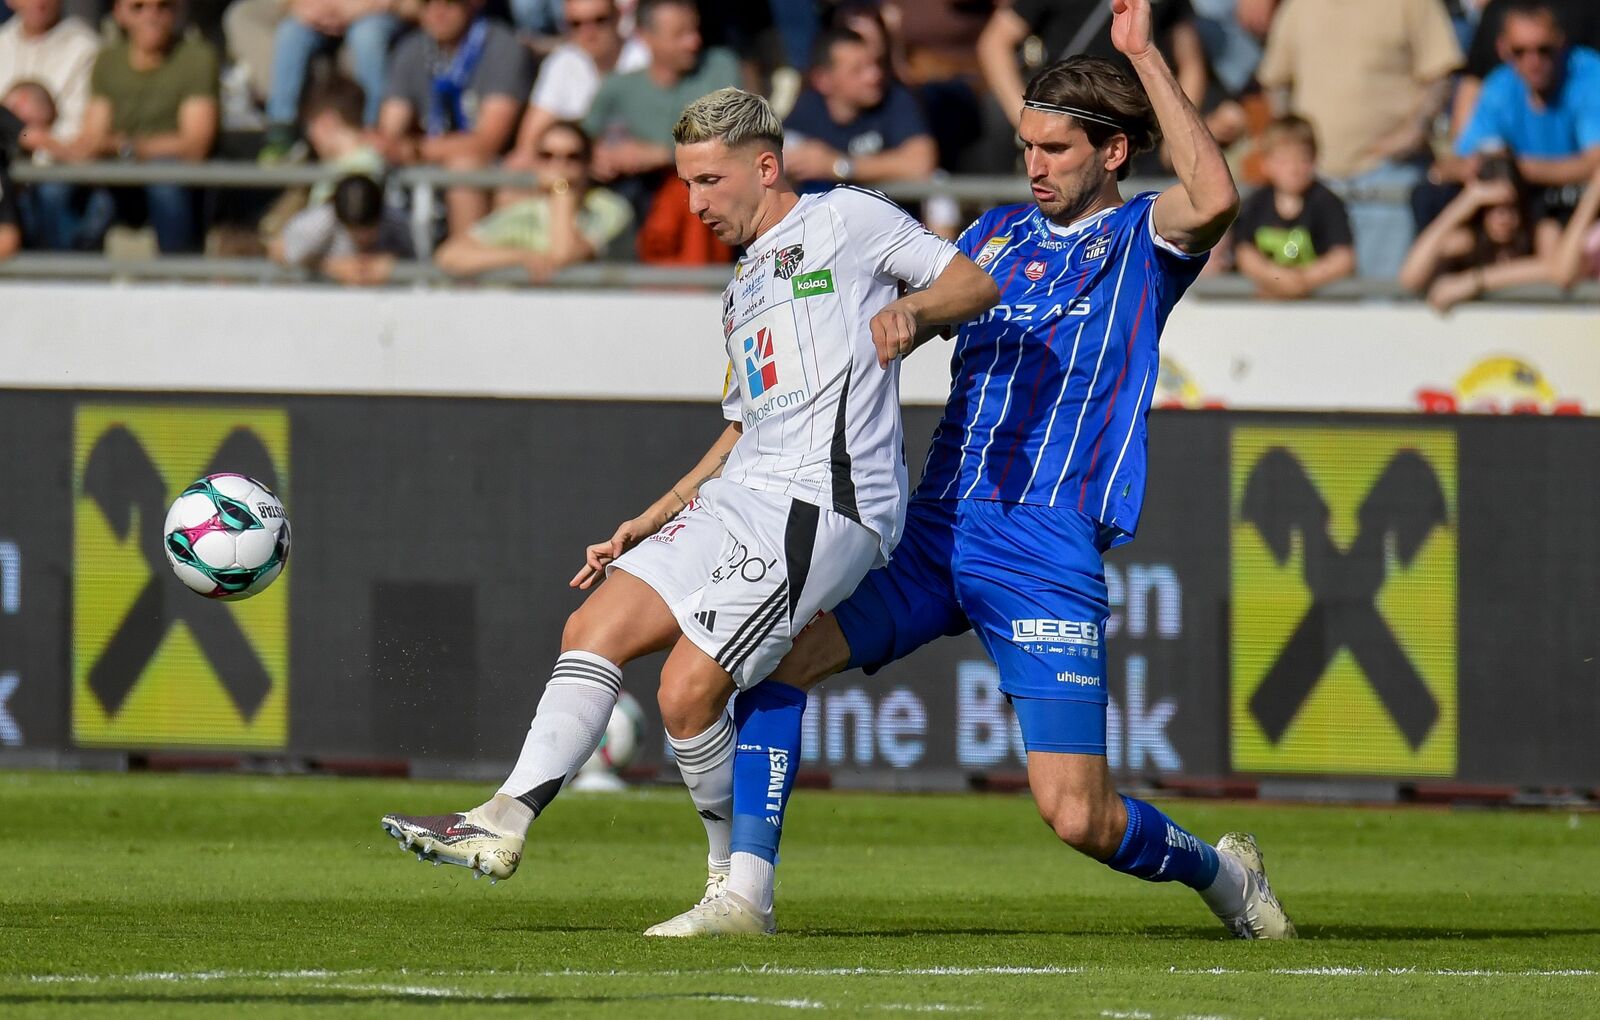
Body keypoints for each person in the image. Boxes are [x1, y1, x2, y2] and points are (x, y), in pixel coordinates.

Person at [644, 0, 1297, 941]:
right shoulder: (992, 235)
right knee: (773, 662)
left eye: (1057, 149)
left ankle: (1223, 875)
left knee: (1078, 815)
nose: (1035, 164)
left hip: (1042, 542)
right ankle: (745, 897)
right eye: (1027, 145)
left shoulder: (1141, 240)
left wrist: (1145, 55)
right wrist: (898, 318)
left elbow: (1216, 196)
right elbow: (889, 290)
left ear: (1114, 152)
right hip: (935, 528)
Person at [376, 88, 999, 912]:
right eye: (685, 183)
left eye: (709, 181)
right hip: (743, 491)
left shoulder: (846, 218)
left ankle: (731, 891)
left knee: (685, 692)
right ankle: (502, 818)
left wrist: (913, 311)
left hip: (824, 500)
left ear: (766, 167)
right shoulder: (740, 289)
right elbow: (743, 427)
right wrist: (655, 513)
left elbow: (973, 284)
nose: (695, 203)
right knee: (593, 626)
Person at [1255, 0, 1462, 279]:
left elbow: (1440, 74)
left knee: (1384, 297)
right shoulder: (1299, 7)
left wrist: (1412, 133)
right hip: (1315, 183)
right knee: (1311, 300)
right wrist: (1292, 145)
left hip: (1388, 181)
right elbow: (1275, 81)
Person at [64, 0, 219, 253]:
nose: (152, 16)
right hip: (119, 177)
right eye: (138, 7)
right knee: (62, 191)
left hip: (174, 180)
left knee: (163, 180)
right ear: (119, 14)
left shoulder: (197, 57)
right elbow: (94, 135)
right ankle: (70, 267)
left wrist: (125, 146)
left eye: (163, 6)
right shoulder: (108, 60)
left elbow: (195, 145)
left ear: (176, 12)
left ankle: (177, 269)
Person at [376, 0, 531, 235]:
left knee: (464, 168)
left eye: (450, 2)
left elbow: (489, 142)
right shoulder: (411, 48)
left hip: (494, 170)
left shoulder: (502, 46)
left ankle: (463, 254)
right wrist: (393, 145)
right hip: (429, 162)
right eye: (427, 2)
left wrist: (416, 150)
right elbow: (390, 130)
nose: (438, 10)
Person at [434, 119, 632, 280]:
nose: (559, 165)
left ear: (588, 163)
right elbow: (450, 256)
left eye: (572, 157)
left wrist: (560, 189)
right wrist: (522, 256)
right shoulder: (526, 211)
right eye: (547, 156)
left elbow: (563, 254)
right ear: (536, 162)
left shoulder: (609, 208)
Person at [1443, 2, 1600, 197]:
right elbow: (1459, 161)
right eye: (1519, 52)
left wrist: (1515, 168)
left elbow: (1596, 163)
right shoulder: (1500, 85)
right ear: (1502, 49)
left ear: (1561, 42)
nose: (1533, 62)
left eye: (1544, 50)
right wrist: (1480, 166)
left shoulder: (1590, 76)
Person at [1399, 150, 1564, 310]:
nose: (1502, 218)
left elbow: (1555, 268)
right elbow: (1410, 278)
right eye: (1491, 208)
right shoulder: (1468, 241)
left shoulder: (1540, 230)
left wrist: (1474, 281)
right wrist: (1465, 203)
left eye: (1510, 207)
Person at [781, 26, 937, 192]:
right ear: (823, 80)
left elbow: (920, 163)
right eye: (857, 70)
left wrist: (838, 165)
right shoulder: (807, 110)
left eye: (875, 64)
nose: (874, 75)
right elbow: (782, 158)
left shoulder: (895, 98)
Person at [1231, 114, 1356, 298]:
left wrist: (1302, 280)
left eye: (1302, 159)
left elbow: (1343, 258)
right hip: (1263, 305)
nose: (1293, 169)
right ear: (1266, 163)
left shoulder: (1327, 203)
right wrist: (1274, 279)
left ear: (1315, 159)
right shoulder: (1255, 203)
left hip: (1317, 305)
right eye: (1284, 161)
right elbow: (1244, 252)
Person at [257, 0, 402, 156]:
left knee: (367, 36)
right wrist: (306, 8)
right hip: (324, 13)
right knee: (291, 32)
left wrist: (350, 9)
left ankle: (370, 130)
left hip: (375, 11)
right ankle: (282, 131)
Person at [511, 0, 648, 161]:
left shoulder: (645, 59)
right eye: (576, 24)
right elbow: (528, 143)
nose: (588, 32)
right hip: (579, 168)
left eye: (599, 20)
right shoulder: (563, 61)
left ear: (618, 17)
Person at [271, 172, 414, 284]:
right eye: (354, 230)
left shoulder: (397, 222)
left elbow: (420, 259)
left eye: (368, 228)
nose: (362, 237)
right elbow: (279, 251)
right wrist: (331, 267)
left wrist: (395, 264)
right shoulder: (319, 223)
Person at [0, 0, 98, 146]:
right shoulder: (3, 41)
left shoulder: (86, 49)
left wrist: (32, 139)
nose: (38, 2)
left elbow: (78, 129)